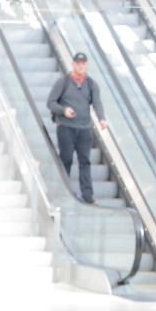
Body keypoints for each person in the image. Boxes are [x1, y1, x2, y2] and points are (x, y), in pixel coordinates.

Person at [46, 52, 108, 204]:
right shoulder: (64, 82)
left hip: (84, 129)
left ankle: (87, 195)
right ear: (73, 64)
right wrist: (63, 111)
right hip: (66, 127)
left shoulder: (91, 84)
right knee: (66, 159)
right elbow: (51, 102)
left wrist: (101, 118)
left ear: (86, 65)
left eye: (83, 63)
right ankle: (62, 193)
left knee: (85, 161)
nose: (80, 66)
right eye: (78, 63)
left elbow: (97, 103)